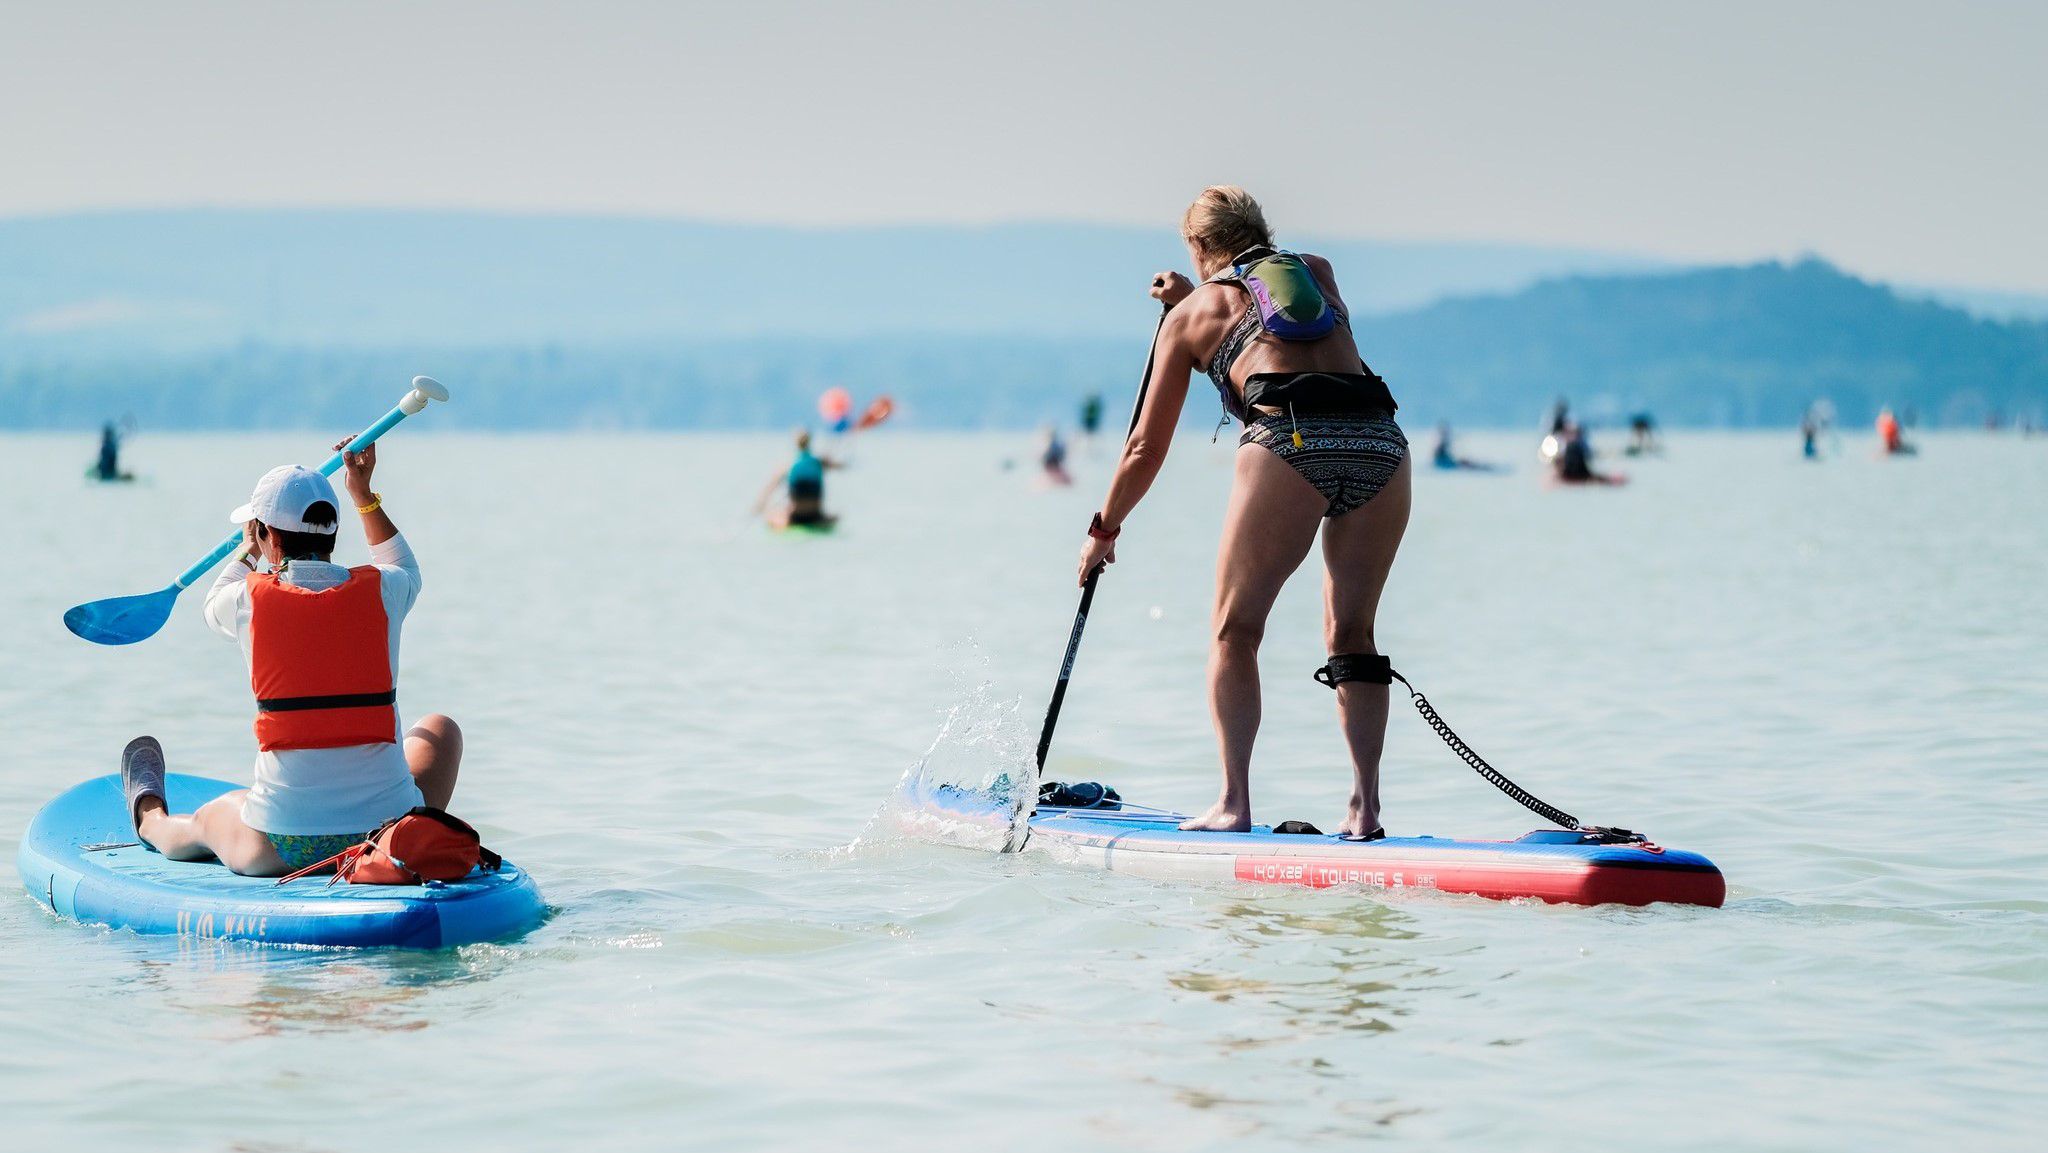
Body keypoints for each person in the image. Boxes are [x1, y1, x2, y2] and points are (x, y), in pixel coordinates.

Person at [1076, 186, 1410, 838]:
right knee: (1354, 638)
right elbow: (1276, 315)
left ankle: (1234, 802)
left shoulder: (1190, 316)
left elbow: (1144, 447)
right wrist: (1194, 301)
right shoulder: (1316, 271)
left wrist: (1103, 529)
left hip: (1290, 443)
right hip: (1381, 444)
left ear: (1198, 248)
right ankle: (1365, 810)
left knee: (1236, 630)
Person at [120, 444, 461, 876]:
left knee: (205, 824)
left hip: (283, 846)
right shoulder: (387, 590)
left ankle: (150, 818)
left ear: (266, 533)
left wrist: (248, 550)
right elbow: (403, 564)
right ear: (334, 536)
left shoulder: (247, 599)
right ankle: (388, 849)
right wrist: (362, 492)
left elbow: (212, 605)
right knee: (440, 730)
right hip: (386, 834)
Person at [761, 429, 841, 529]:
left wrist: (760, 507)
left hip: (795, 517)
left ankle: (784, 522)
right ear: (809, 442)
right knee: (835, 517)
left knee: (770, 516)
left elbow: (769, 489)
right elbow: (840, 466)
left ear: (795, 443)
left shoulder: (788, 465)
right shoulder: (820, 462)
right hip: (816, 514)